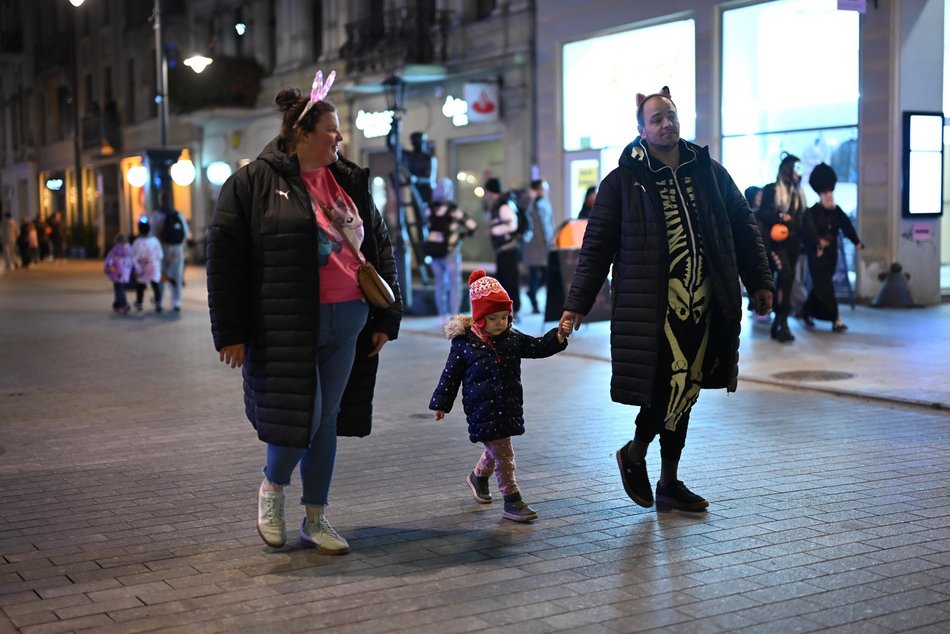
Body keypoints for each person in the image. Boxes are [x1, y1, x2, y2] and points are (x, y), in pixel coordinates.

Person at [207, 69, 402, 555]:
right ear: (302, 135)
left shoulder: (349, 181)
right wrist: (229, 330)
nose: (340, 137)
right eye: (332, 130)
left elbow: (380, 247)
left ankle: (316, 518)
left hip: (349, 319)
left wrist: (384, 319)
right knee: (303, 417)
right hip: (287, 324)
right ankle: (272, 491)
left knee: (328, 419)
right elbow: (225, 260)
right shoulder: (251, 183)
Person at [560, 86, 773, 513]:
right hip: (653, 304)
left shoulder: (707, 171)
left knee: (688, 387)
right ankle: (636, 452)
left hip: (708, 299)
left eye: (671, 115)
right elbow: (597, 244)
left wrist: (760, 279)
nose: (666, 123)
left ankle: (668, 482)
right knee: (666, 384)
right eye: (656, 118)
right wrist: (577, 302)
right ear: (641, 129)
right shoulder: (622, 181)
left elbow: (743, 226)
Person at [430, 270, 570, 522]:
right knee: (504, 454)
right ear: (479, 318)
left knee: (498, 448)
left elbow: (537, 347)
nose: (500, 323)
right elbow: (449, 375)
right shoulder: (464, 344)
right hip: (481, 407)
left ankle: (478, 476)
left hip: (508, 403)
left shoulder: (512, 339)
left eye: (505, 317)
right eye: (493, 318)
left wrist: (557, 337)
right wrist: (440, 403)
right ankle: (512, 500)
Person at [802, 162, 863, 332]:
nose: (828, 196)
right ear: (820, 194)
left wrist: (856, 241)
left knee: (821, 287)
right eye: (825, 193)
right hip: (816, 256)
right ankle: (836, 319)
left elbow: (847, 227)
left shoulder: (837, 212)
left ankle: (806, 310)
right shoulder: (812, 212)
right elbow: (808, 232)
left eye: (830, 193)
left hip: (831, 257)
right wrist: (817, 243)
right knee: (826, 288)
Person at [758, 153, 812, 343]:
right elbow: (762, 212)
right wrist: (779, 217)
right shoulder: (771, 190)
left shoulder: (799, 194)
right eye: (795, 168)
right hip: (775, 244)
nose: (798, 173)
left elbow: (805, 220)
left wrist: (814, 244)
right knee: (785, 275)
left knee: (787, 283)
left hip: (794, 245)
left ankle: (781, 322)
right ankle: (780, 321)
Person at [424, 177, 478, 324]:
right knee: (454, 283)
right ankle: (454, 315)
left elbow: (426, 226)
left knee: (439, 283)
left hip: (434, 252)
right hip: (450, 252)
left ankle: (442, 315)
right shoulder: (453, 210)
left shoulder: (429, 209)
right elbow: (472, 225)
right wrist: (459, 236)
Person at [484, 177, 521, 318]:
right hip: (504, 249)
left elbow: (512, 225)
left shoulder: (503, 205)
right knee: (504, 280)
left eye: (487, 191)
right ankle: (509, 309)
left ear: (491, 191)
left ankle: (514, 309)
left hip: (508, 249)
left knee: (509, 280)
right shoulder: (500, 204)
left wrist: (494, 231)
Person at [152, 190, 190, 312]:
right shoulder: (178, 215)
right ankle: (176, 302)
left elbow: (154, 234)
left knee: (162, 274)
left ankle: (160, 301)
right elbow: (185, 233)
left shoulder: (157, 216)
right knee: (177, 275)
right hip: (177, 248)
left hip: (163, 248)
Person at [522, 179, 555, 315]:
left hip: (543, 244)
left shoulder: (545, 203)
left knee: (545, 274)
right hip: (534, 244)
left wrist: (551, 240)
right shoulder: (531, 203)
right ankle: (534, 302)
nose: (545, 191)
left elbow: (549, 223)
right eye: (543, 188)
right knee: (535, 274)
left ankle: (532, 292)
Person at [130, 217, 164, 313]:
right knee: (155, 285)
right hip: (154, 266)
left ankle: (139, 303)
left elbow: (134, 256)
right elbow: (160, 255)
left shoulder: (137, 242)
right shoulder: (155, 240)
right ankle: (158, 303)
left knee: (140, 286)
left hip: (142, 267)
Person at [103, 233, 136, 314]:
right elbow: (134, 261)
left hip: (116, 273)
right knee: (120, 289)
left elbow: (108, 260)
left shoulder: (114, 250)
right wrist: (139, 270)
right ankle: (119, 305)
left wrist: (107, 268)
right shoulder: (129, 249)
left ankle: (121, 304)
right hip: (125, 273)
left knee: (118, 289)